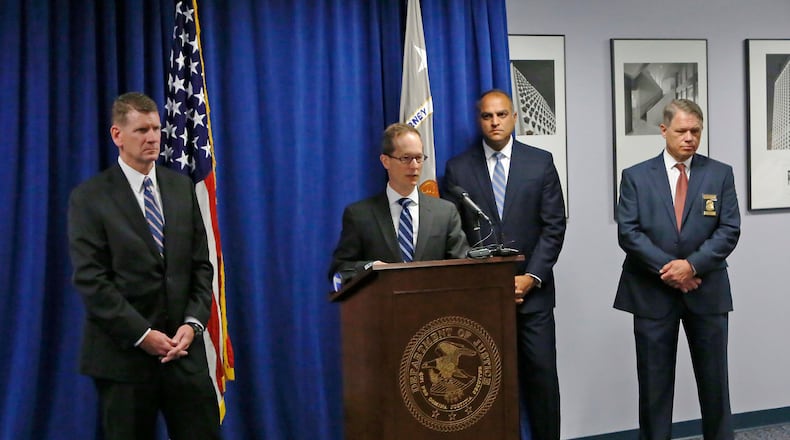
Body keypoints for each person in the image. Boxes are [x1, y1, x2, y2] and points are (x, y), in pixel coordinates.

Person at [67, 92, 221, 439]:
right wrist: (143, 335)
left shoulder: (181, 188)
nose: (152, 137)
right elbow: (92, 281)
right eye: (141, 130)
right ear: (117, 135)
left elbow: (201, 265)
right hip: (124, 359)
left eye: (156, 129)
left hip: (184, 354)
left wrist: (193, 323)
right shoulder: (90, 198)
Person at [443, 89, 566, 440]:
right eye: (487, 116)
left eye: (501, 115)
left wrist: (531, 276)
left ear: (514, 117)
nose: (495, 122)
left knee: (542, 380)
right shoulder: (458, 168)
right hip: (481, 298)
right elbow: (454, 235)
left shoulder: (540, 162)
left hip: (533, 295)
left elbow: (554, 226)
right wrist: (486, 282)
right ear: (479, 120)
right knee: (482, 384)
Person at [615, 99, 740, 440]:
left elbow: (729, 229)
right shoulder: (636, 176)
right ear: (664, 130)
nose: (689, 138)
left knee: (715, 384)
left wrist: (692, 266)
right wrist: (672, 271)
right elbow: (629, 233)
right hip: (652, 293)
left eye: (696, 131)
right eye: (682, 131)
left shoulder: (720, 173)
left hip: (706, 289)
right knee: (654, 387)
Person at [329, 123, 468, 280]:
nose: (414, 166)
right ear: (385, 161)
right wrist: (370, 267)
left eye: (419, 158)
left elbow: (462, 268)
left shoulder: (445, 213)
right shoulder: (359, 215)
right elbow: (341, 268)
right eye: (406, 158)